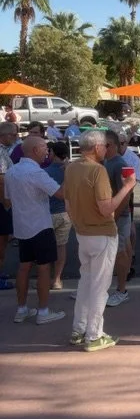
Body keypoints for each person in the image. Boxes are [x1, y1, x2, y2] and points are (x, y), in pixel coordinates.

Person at [64, 130, 136, 352]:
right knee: (99, 287)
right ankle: (94, 335)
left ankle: (79, 329)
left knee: (86, 282)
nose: (107, 149)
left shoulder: (71, 168)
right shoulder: (98, 170)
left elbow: (67, 201)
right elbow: (106, 208)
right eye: (105, 146)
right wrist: (127, 186)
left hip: (83, 233)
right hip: (101, 233)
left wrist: (78, 223)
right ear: (97, 147)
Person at [5, 136, 66, 323]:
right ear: (35, 150)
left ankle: (22, 309)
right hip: (40, 225)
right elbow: (61, 194)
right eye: (44, 148)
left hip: (22, 226)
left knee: (24, 267)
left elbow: (7, 200)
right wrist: (69, 174)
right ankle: (43, 312)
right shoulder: (36, 173)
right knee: (43, 268)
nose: (47, 151)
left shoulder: (11, 171)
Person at [104, 131, 133, 307]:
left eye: (106, 145)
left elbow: (126, 194)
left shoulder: (119, 164)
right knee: (110, 253)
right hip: (110, 216)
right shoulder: (106, 162)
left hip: (119, 217)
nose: (102, 148)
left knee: (120, 253)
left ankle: (122, 291)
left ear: (114, 145)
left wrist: (115, 217)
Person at [45, 142, 71, 289]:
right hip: (65, 213)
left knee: (46, 248)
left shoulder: (45, 172)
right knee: (61, 246)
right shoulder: (71, 170)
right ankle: (57, 279)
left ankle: (45, 279)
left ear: (53, 153)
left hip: (48, 213)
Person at [118, 132, 140, 281]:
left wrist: (125, 193)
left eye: (122, 143)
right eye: (117, 143)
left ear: (127, 143)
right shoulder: (109, 156)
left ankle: (131, 254)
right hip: (113, 195)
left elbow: (136, 180)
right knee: (124, 228)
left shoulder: (132, 158)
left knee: (129, 228)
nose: (120, 146)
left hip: (127, 195)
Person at [0, 122, 17, 290]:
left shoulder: (4, 150)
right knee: (1, 241)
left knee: (3, 240)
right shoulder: (0, 152)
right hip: (1, 204)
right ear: (4, 135)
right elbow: (1, 180)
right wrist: (6, 202)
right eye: (13, 134)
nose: (16, 137)